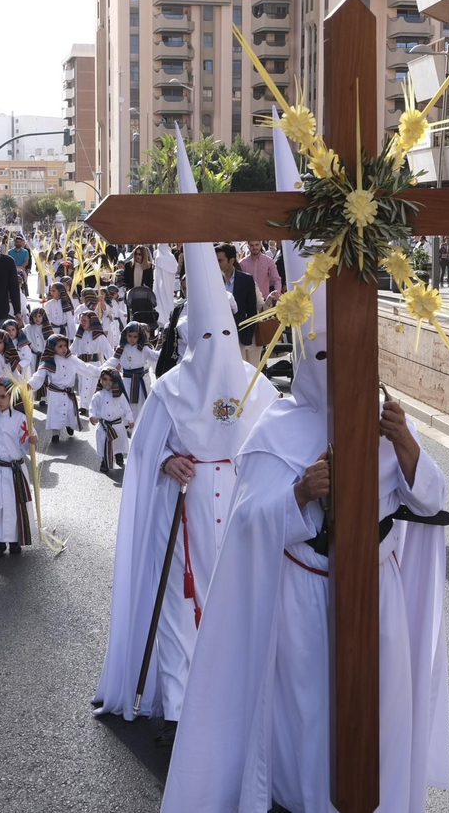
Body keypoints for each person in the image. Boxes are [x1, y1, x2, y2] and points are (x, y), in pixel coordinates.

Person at [161, 229, 449, 813]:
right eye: (321, 355)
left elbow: (429, 502)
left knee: (380, 714)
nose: (336, 369)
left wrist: (405, 449)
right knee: (306, 719)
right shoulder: (275, 430)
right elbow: (246, 528)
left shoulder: (387, 422)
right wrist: (298, 495)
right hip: (304, 599)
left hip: (377, 595)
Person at [93, 143, 280, 742]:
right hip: (182, 510)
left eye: (230, 333)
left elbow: (275, 441)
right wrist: (166, 458)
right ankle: (175, 705)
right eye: (212, 335)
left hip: (236, 513)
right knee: (178, 606)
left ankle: (226, 700)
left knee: (233, 608)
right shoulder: (171, 389)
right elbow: (144, 450)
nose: (222, 346)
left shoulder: (255, 387)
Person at [0, 375, 36, 560]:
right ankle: (0, 541)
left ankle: (14, 540)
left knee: (16, 504)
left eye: (3, 396)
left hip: (16, 470)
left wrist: (31, 441)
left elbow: (26, 444)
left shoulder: (21, 418)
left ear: (11, 396)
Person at [28, 334, 93, 443]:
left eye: (65, 345)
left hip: (68, 392)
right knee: (56, 413)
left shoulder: (71, 359)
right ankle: (56, 433)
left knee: (69, 412)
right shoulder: (48, 362)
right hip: (55, 393)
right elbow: (39, 376)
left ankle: (69, 426)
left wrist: (99, 373)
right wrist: (30, 384)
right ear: (52, 348)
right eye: (60, 346)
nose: (64, 348)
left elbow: (85, 367)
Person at [215, 243, 262, 365]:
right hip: (219, 337)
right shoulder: (213, 281)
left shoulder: (246, 280)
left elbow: (252, 310)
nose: (216, 263)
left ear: (231, 260)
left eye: (220, 260)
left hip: (241, 337)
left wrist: (247, 334)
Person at [88, 366, 131, 475]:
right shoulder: (98, 395)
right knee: (103, 443)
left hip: (117, 425)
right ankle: (104, 461)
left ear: (115, 381)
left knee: (118, 443)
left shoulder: (119, 395)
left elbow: (127, 408)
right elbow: (93, 407)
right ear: (100, 380)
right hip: (104, 426)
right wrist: (92, 415)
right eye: (104, 379)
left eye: (110, 380)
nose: (107, 382)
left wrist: (130, 420)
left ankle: (118, 454)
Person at [113, 323, 154, 425]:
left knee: (140, 403)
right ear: (125, 335)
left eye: (135, 337)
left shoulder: (143, 348)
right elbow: (113, 360)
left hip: (140, 382)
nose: (132, 339)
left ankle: (140, 425)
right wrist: (100, 369)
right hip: (126, 380)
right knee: (125, 402)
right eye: (129, 336)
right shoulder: (121, 348)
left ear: (140, 336)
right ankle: (128, 424)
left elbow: (156, 356)